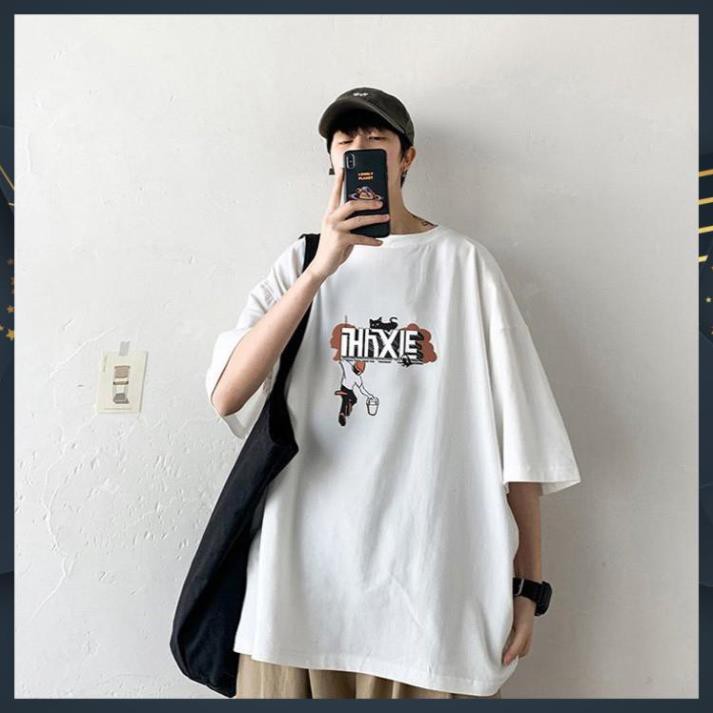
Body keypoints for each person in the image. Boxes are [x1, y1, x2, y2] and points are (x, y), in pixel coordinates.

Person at [206, 87, 582, 699]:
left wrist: (529, 586)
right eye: (345, 140)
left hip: (424, 599)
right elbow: (227, 395)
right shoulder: (301, 261)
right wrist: (321, 270)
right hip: (296, 592)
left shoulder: (463, 265)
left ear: (407, 158)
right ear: (332, 163)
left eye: (376, 138)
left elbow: (522, 442)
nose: (359, 147)